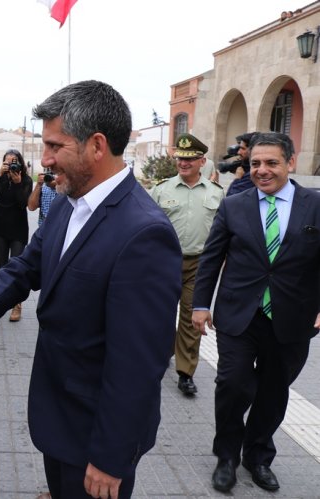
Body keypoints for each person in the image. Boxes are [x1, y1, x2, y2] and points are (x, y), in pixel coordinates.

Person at [0, 80, 182, 499]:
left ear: (96, 146)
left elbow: (138, 363)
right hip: (57, 414)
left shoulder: (144, 233)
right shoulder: (68, 200)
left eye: (54, 146)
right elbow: (29, 265)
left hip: (95, 432)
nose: (44, 160)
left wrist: (110, 457)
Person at [192, 132, 320, 494]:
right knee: (231, 384)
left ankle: (258, 455)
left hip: (293, 317)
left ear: (290, 163)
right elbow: (212, 257)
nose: (262, 171)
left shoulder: (315, 205)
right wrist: (200, 304)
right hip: (239, 314)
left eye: (271, 163)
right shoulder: (235, 205)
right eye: (255, 164)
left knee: (274, 391)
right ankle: (227, 457)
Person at [150, 133, 224, 397]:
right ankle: (164, 352)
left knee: (192, 318)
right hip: (165, 261)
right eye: (180, 158)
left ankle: (185, 373)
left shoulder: (217, 193)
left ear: (202, 161)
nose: (184, 163)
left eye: (190, 159)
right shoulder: (161, 189)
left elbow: (222, 232)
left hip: (199, 264)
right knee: (161, 313)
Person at [0, 149, 32, 322]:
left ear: (20, 163)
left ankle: (16, 305)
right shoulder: (1, 178)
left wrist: (18, 183)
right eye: (7, 161)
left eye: (14, 161)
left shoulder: (25, 180)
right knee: (1, 267)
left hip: (18, 229)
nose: (11, 164)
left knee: (17, 268)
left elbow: (23, 203)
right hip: (0, 229)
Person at [226, 132, 256, 197]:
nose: (238, 152)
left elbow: (231, 198)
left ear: (252, 150)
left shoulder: (252, 174)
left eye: (242, 148)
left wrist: (237, 179)